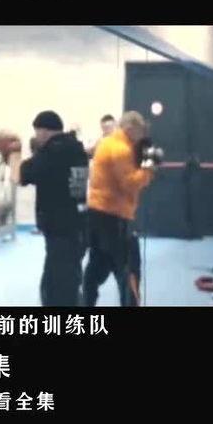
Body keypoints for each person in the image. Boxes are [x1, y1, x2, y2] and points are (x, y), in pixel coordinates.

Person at [82, 111, 156, 307]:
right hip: (114, 217)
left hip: (97, 213)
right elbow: (130, 183)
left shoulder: (107, 143)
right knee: (129, 268)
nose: (142, 135)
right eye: (140, 130)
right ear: (131, 128)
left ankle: (85, 304)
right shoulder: (120, 149)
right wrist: (149, 169)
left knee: (98, 265)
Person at [20, 110, 89, 307]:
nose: (36, 137)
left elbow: (23, 175)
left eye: (37, 132)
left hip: (61, 227)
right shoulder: (76, 149)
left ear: (43, 131)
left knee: (58, 286)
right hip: (78, 223)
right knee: (65, 279)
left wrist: (14, 154)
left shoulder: (54, 152)